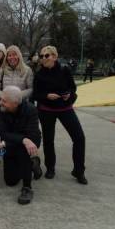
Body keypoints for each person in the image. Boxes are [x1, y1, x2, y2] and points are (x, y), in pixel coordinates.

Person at [33, 46, 88, 184]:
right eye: (42, 56)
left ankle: (79, 171)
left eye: (47, 56)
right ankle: (50, 168)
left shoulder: (65, 70)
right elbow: (36, 94)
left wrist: (68, 95)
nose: (43, 58)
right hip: (46, 109)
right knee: (48, 140)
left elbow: (73, 88)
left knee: (79, 138)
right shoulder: (39, 74)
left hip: (65, 108)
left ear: (55, 57)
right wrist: (46, 95)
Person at [0, 86, 42, 205]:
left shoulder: (31, 110)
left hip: (29, 143)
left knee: (23, 152)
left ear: (15, 103)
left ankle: (27, 188)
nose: (0, 102)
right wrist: (22, 139)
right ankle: (32, 164)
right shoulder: (0, 108)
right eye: (1, 99)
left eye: (4, 101)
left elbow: (32, 135)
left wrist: (23, 140)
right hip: (9, 143)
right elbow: (2, 132)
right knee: (10, 181)